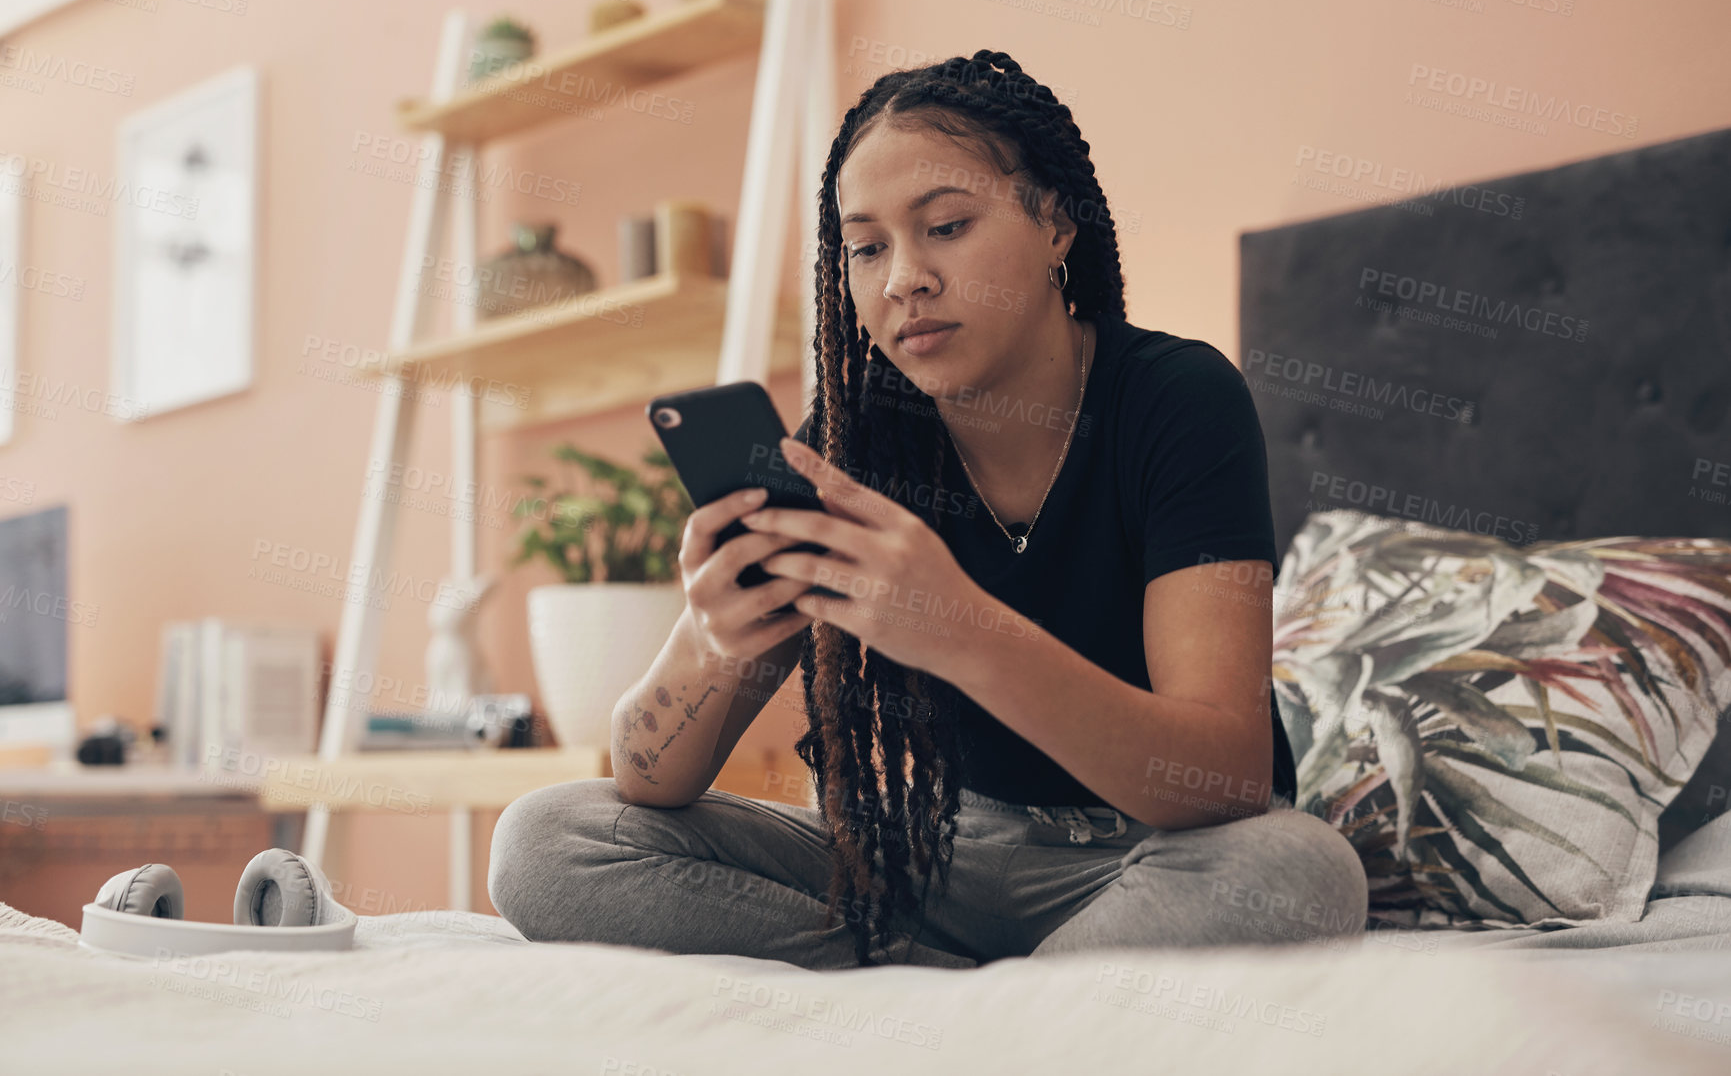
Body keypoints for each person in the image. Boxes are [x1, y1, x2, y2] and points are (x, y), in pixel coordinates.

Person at [488, 49, 1368, 969]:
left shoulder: (1175, 397)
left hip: (1153, 858)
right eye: (865, 247)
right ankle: (976, 999)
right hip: (941, 858)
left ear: (1056, 221)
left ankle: (939, 1002)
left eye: (945, 225)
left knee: (1294, 867)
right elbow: (645, 777)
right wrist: (711, 638)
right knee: (551, 838)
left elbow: (1225, 774)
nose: (903, 276)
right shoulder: (854, 442)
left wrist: (954, 626)